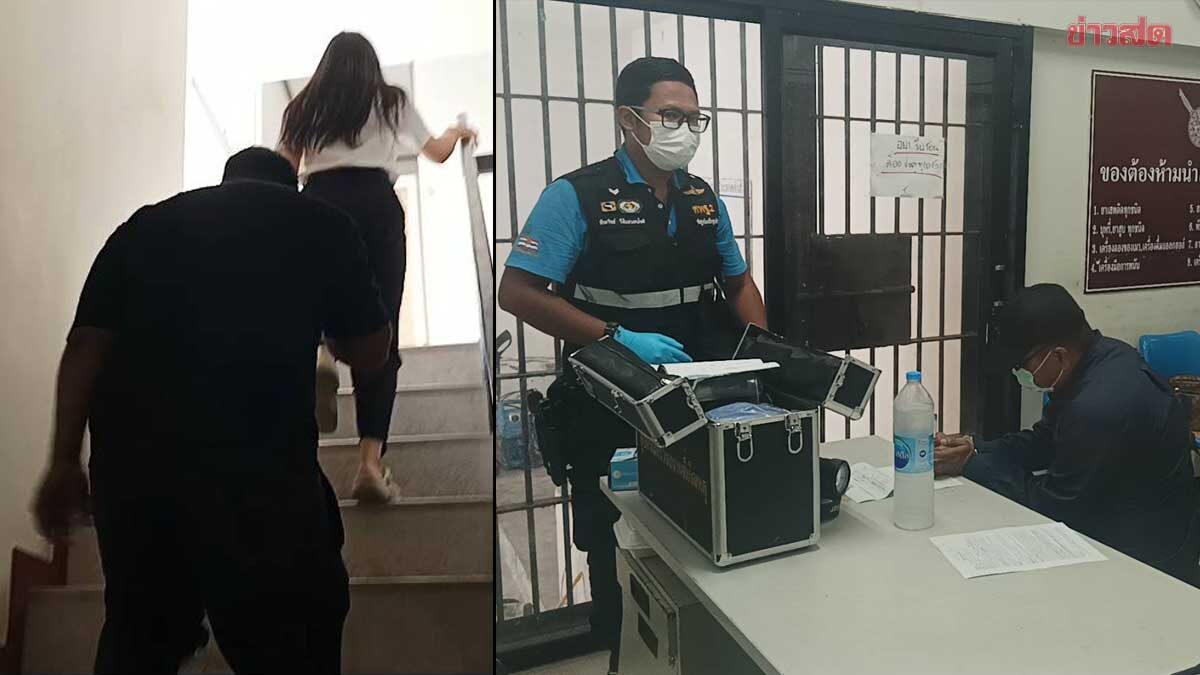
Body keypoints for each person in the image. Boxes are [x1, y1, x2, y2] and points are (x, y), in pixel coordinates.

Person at [31, 148, 392, 674]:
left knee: (138, 637)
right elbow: (371, 351)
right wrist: (326, 328)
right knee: (295, 634)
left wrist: (63, 461)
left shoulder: (143, 226)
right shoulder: (320, 224)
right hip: (259, 478)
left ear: (224, 181)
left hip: (136, 479)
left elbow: (85, 346)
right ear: (290, 185)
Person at [497, 56, 767, 673]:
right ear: (629, 119)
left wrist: (761, 352)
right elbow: (518, 292)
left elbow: (738, 283)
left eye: (695, 118)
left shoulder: (701, 199)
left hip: (694, 400)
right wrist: (617, 337)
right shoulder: (576, 195)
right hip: (609, 404)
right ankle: (624, 654)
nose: (686, 130)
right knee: (615, 546)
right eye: (670, 116)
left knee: (701, 531)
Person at [278, 31, 476, 503]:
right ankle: (369, 464)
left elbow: (284, 168)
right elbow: (437, 152)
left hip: (318, 201)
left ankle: (322, 353)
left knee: (316, 293)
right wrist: (458, 132)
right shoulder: (390, 100)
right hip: (376, 204)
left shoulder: (303, 107)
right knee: (380, 329)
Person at [934, 283, 1199, 584]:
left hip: (1148, 564)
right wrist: (975, 447)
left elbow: (1055, 504)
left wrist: (971, 465)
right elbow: (1047, 441)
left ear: (1058, 356)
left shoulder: (1100, 404)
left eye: (1020, 365)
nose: (1017, 374)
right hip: (1115, 522)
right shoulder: (1098, 359)